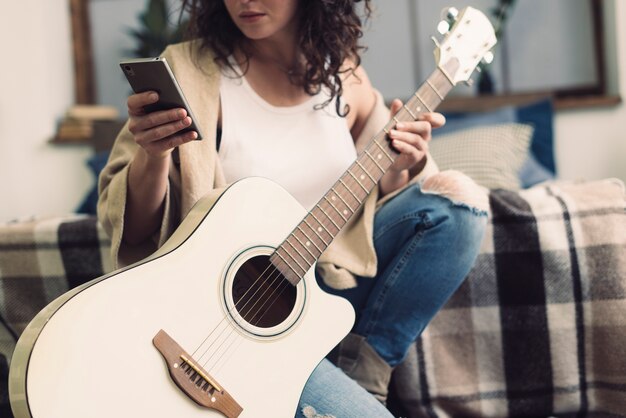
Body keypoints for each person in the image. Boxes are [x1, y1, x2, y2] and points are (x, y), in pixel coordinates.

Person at [98, 0, 489, 416]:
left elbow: (375, 193)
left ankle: (363, 374)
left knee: (459, 206)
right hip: (236, 318)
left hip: (329, 295)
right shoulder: (187, 71)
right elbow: (132, 230)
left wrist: (403, 165)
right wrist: (153, 156)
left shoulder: (344, 75)